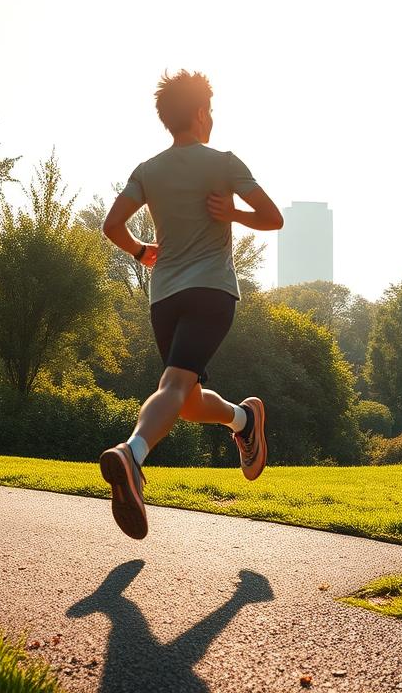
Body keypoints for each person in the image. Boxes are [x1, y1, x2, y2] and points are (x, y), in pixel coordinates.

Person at [98, 70, 284, 539]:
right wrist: (234, 213)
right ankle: (240, 420)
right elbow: (273, 218)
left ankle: (139, 451)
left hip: (164, 297)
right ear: (202, 113)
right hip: (211, 292)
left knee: (175, 385)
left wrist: (142, 251)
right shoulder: (223, 162)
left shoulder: (148, 170)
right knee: (185, 399)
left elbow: (112, 226)